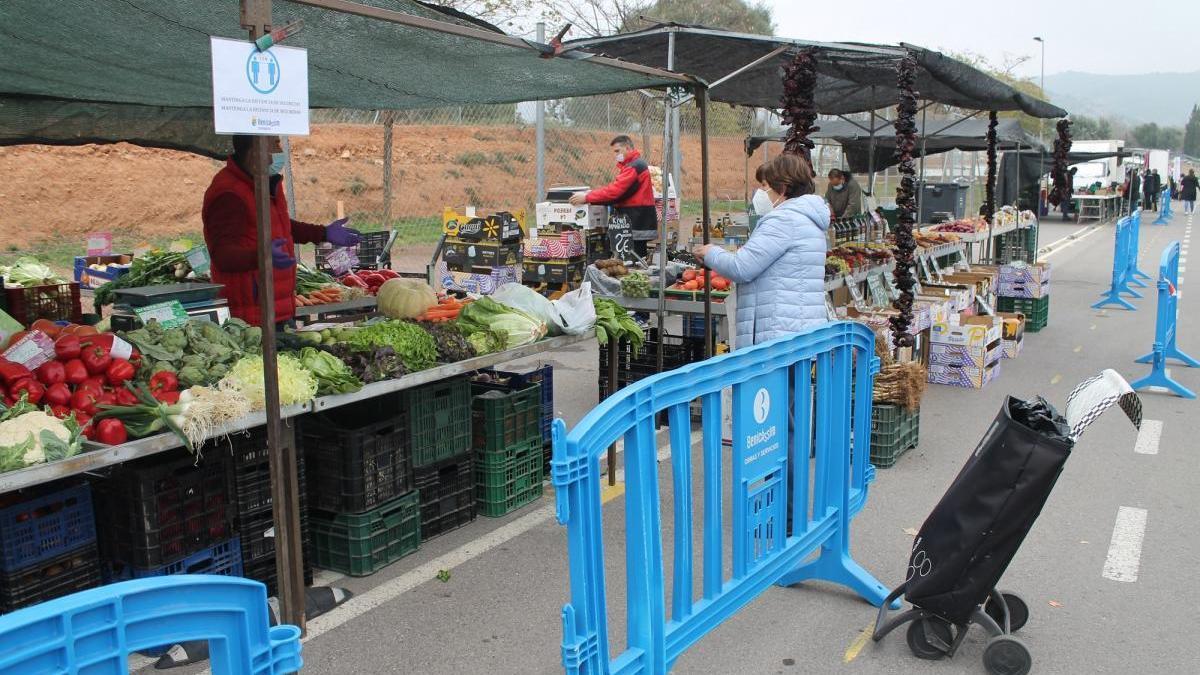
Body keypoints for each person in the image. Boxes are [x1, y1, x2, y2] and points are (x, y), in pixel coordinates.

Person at [202, 135, 361, 327]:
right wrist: (263, 255)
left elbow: (281, 224)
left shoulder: (264, 183)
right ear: (256, 151)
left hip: (277, 306)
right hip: (251, 314)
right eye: (275, 145)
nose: (278, 153)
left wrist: (322, 233)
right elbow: (222, 255)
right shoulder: (229, 194)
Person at [692, 154, 830, 350]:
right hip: (798, 329)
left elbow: (741, 268)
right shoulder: (808, 219)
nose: (761, 192)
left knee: (774, 382)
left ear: (782, 188)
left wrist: (711, 253)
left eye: (765, 186)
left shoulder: (783, 220)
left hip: (778, 334)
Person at [569, 135, 657, 258]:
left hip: (636, 220)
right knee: (634, 258)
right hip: (637, 220)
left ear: (627, 148)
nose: (616, 155)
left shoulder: (634, 167)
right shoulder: (634, 165)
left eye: (617, 151)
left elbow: (615, 191)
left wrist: (587, 197)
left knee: (632, 260)